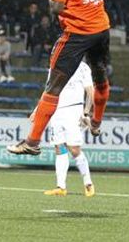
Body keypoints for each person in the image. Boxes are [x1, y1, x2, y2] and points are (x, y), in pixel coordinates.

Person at [7, 0, 121, 156]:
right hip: (100, 30)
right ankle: (97, 123)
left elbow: (56, 7)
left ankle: (32, 141)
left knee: (53, 87)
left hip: (76, 35)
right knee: (100, 78)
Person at [40, 61, 95, 197]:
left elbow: (90, 91)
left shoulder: (82, 67)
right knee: (59, 148)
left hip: (73, 110)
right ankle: (61, 187)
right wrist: (38, 109)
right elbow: (48, 90)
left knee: (74, 148)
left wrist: (86, 112)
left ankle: (88, 183)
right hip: (56, 111)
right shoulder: (55, 65)